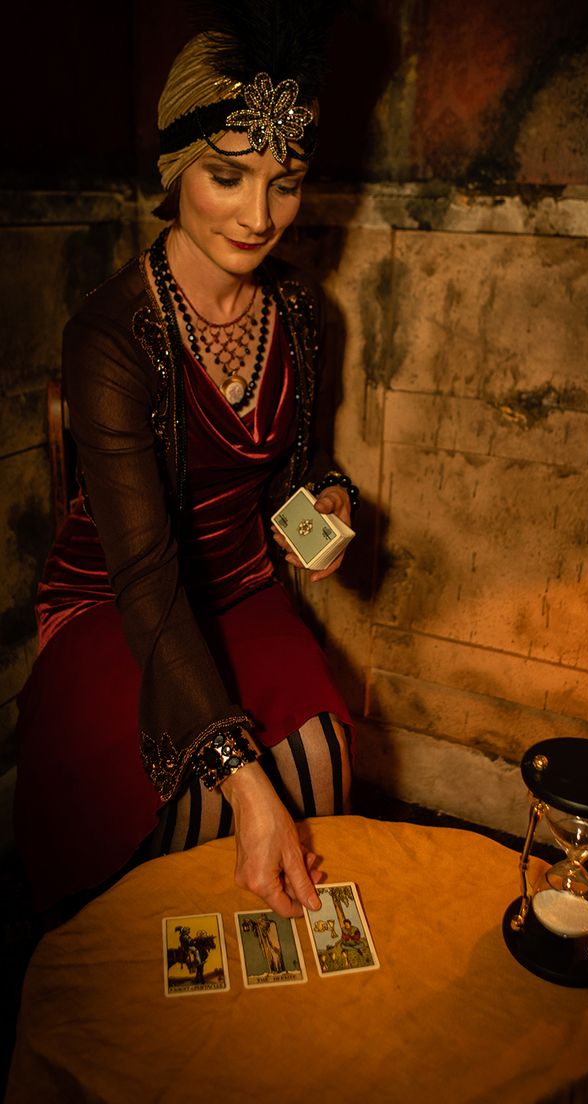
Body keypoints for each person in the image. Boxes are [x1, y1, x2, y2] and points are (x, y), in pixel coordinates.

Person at [13, 1, 357, 922]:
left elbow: (297, 465)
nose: (258, 216)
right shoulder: (110, 336)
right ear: (176, 169)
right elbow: (146, 577)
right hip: (116, 600)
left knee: (323, 755)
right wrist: (243, 783)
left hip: (241, 584)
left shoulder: (303, 315)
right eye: (227, 175)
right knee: (188, 811)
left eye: (284, 183)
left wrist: (325, 505)